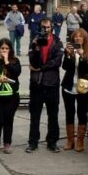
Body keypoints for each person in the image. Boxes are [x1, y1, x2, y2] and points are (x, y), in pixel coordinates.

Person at [26, 17, 63, 153]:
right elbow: (33, 61)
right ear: (40, 27)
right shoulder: (35, 40)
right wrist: (36, 48)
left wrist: (41, 68)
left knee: (53, 114)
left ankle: (52, 142)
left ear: (51, 27)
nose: (45, 30)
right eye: (43, 27)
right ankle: (33, 142)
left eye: (48, 27)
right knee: (34, 115)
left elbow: (57, 62)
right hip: (37, 83)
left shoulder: (57, 41)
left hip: (52, 83)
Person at [61, 27, 88, 152]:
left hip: (83, 87)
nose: (78, 38)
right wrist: (68, 55)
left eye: (80, 36)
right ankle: (70, 140)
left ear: (85, 39)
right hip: (69, 86)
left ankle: (80, 141)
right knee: (70, 113)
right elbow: (65, 67)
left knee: (81, 113)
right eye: (76, 36)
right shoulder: (69, 50)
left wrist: (82, 57)